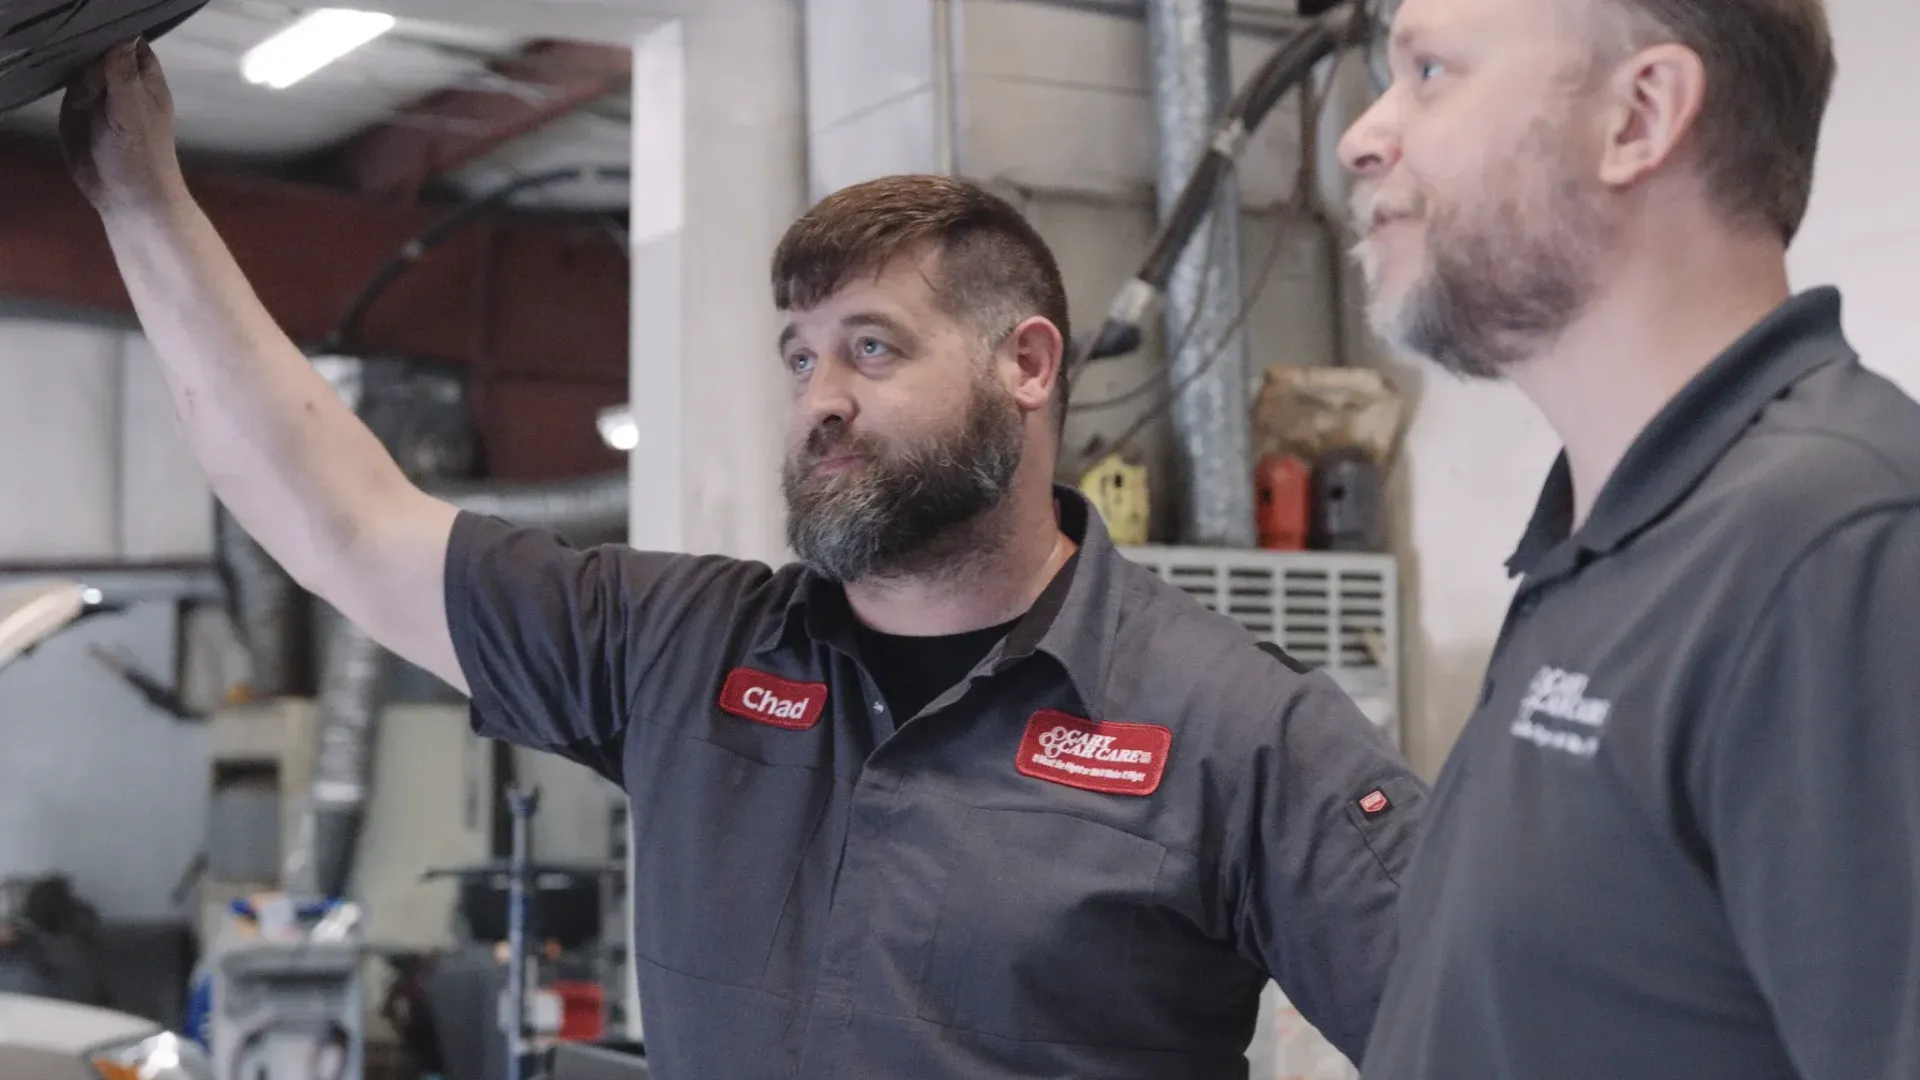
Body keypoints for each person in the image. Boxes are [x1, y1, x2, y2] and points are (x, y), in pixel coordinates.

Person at [61, 40, 1428, 1080]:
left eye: (872, 348)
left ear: (1027, 365)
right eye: (800, 358)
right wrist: (138, 196)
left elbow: (1490, 1023)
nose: (817, 398)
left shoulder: (1233, 731)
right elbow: (338, 522)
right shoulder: (687, 650)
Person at [1339, 0, 1920, 1077]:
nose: (1363, 135)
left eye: (1429, 71)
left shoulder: (1841, 551)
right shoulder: (1610, 543)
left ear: (1638, 116)